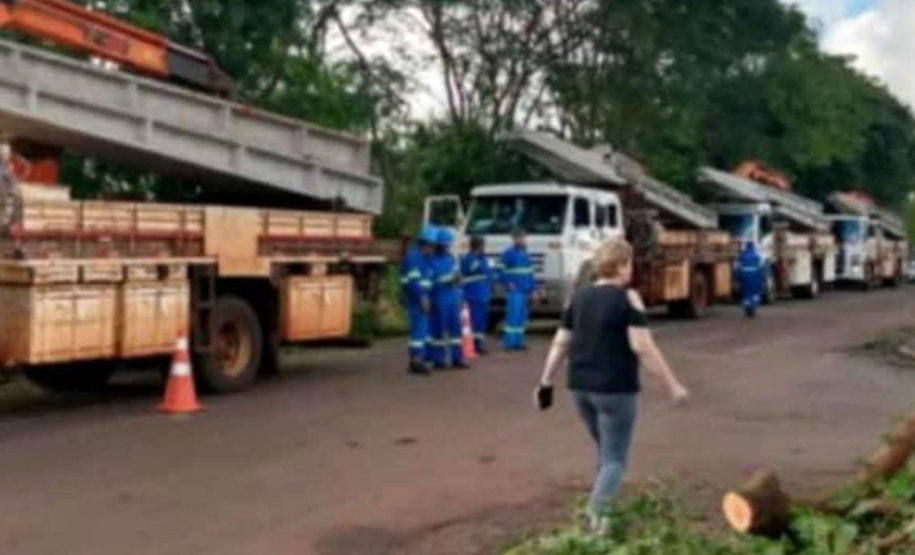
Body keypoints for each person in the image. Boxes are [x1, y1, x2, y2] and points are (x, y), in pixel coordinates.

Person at [534, 238, 690, 532]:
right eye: (629, 263)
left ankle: (602, 519)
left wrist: (545, 382)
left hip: (579, 388)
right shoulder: (628, 299)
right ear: (620, 266)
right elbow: (642, 346)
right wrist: (672, 385)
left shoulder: (578, 298)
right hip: (615, 389)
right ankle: (595, 518)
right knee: (615, 460)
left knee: (605, 453)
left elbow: (560, 343)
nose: (631, 269)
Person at [400, 226, 437, 376]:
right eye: (431, 246)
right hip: (415, 298)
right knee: (419, 329)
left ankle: (416, 359)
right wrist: (422, 297)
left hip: (423, 296)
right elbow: (413, 281)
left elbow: (429, 279)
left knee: (421, 330)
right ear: (425, 244)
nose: (433, 249)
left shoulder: (425, 257)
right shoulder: (414, 257)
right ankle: (416, 361)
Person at [430, 228, 468, 370]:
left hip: (452, 298)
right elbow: (431, 281)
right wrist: (448, 280)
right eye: (444, 244)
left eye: (447, 244)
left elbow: (456, 274)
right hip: (439, 298)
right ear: (438, 244)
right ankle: (438, 360)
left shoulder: (450, 257)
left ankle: (457, 358)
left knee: (456, 331)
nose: (446, 246)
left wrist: (458, 286)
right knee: (438, 331)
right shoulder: (431, 259)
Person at [498, 229, 535, 351]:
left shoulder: (525, 253)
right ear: (513, 239)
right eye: (519, 238)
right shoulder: (508, 253)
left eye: (523, 238)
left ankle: (518, 341)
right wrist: (508, 283)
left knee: (521, 317)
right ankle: (509, 343)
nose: (522, 240)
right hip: (514, 289)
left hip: (524, 289)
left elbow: (530, 273)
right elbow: (500, 270)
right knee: (512, 317)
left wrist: (532, 289)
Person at [461, 236, 494, 354]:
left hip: (483, 294)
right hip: (473, 294)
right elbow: (474, 270)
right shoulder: (469, 259)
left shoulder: (483, 259)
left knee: (481, 320)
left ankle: (479, 343)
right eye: (482, 246)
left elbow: (489, 273)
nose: (484, 248)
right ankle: (473, 344)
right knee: (473, 320)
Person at [736, 242, 765, 318]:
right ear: (753, 247)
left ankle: (747, 309)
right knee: (754, 292)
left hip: (744, 276)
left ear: (746, 247)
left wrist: (737, 277)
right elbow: (761, 268)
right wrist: (762, 278)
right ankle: (752, 309)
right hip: (755, 277)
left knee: (746, 293)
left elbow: (737, 268)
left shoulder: (742, 256)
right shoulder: (757, 256)